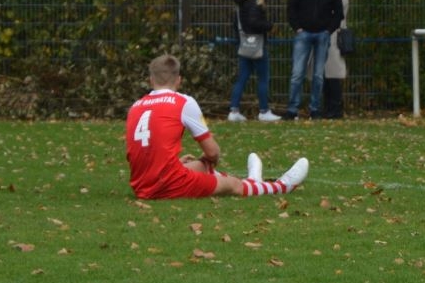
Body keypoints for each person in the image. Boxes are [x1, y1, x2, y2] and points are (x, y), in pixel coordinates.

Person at [126, 54, 308, 200]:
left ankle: (253, 180)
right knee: (232, 185)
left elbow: (140, 153)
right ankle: (281, 186)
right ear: (179, 80)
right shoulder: (183, 102)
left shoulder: (135, 107)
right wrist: (210, 159)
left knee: (200, 166)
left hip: (142, 184)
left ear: (151, 80)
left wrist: (181, 164)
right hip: (166, 185)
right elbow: (213, 152)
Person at [285, 0, 344, 120]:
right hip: (303, 33)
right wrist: (297, 27)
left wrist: (328, 30)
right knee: (297, 74)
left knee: (318, 75)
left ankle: (315, 109)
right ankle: (292, 109)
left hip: (322, 35)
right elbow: (292, 6)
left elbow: (338, 13)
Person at [228, 0, 280, 122]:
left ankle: (234, 110)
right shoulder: (253, 1)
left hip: (244, 45)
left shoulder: (240, 2)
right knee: (263, 78)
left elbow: (236, 24)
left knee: (242, 78)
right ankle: (264, 111)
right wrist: (269, 26)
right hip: (258, 44)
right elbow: (254, 22)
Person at [322, 0, 351, 119]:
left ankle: (335, 108)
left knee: (333, 74)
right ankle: (329, 107)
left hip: (334, 36)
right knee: (326, 74)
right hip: (328, 35)